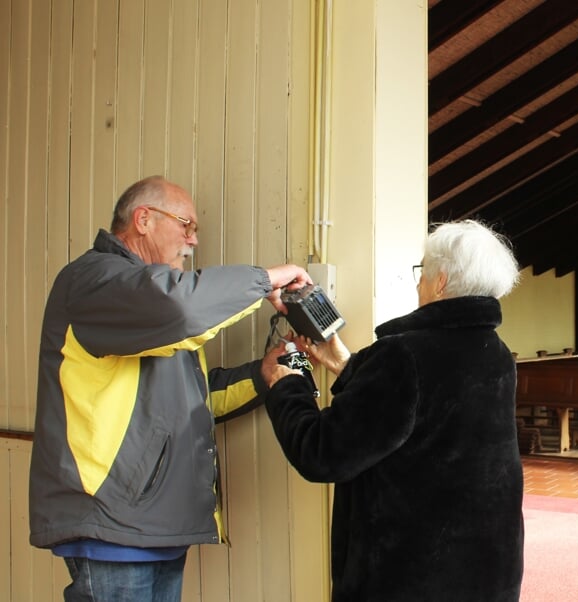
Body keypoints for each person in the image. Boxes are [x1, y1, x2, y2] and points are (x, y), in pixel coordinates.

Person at [28, 175, 314, 602]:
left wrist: (263, 374)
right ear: (143, 219)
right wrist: (263, 280)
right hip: (113, 525)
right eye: (187, 225)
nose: (193, 240)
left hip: (154, 524)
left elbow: (192, 397)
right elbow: (179, 306)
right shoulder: (94, 281)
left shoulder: (146, 307)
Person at [264, 220, 524, 601]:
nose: (418, 282)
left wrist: (287, 384)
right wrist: (343, 361)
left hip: (411, 576)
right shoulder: (495, 351)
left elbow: (322, 453)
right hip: (485, 569)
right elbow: (416, 411)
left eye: (422, 271)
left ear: (441, 281)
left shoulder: (403, 355)